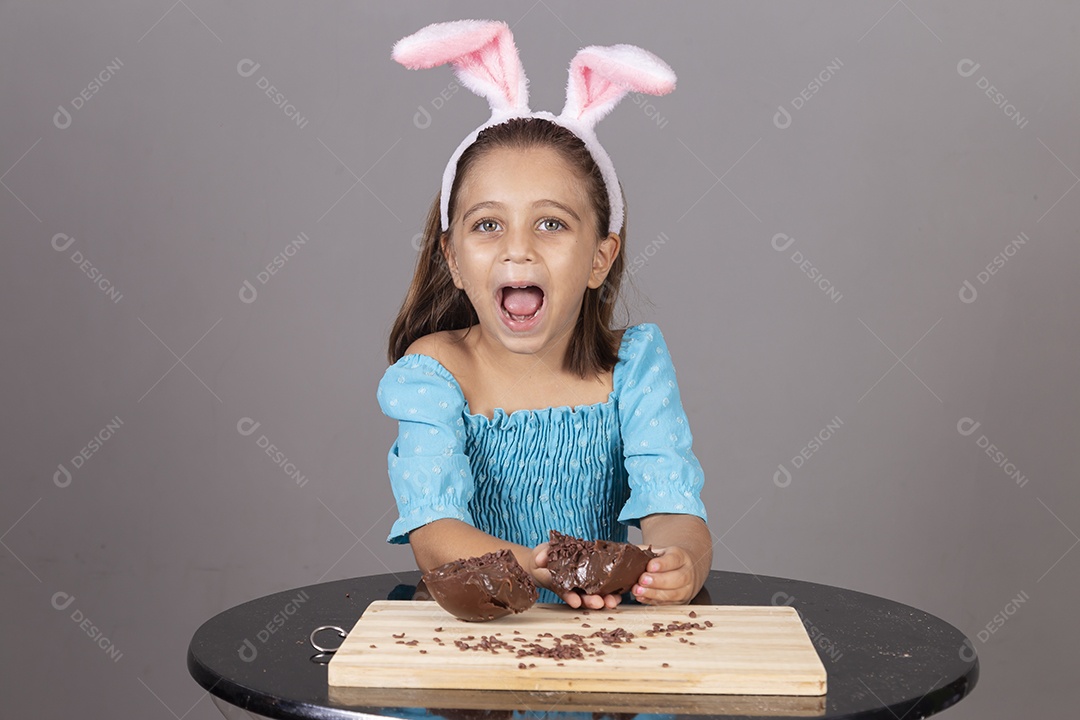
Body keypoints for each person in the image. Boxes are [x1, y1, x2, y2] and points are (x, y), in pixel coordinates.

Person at [377, 19, 711, 608]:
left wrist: (679, 563)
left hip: (598, 645)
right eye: (487, 225)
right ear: (453, 259)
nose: (518, 248)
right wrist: (540, 567)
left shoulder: (632, 365)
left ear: (600, 258)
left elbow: (673, 508)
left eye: (551, 223)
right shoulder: (435, 371)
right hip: (475, 647)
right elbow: (434, 536)